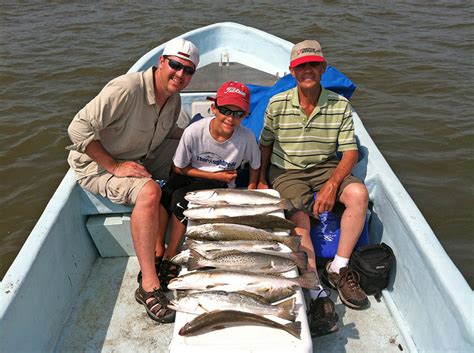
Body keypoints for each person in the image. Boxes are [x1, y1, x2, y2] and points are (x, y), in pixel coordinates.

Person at [66, 38, 199, 323]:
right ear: (161, 62)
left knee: (195, 155)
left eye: (188, 71)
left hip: (143, 154)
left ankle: (169, 218)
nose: (180, 74)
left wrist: (208, 132)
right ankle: (149, 284)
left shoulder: (173, 99)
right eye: (175, 65)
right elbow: (77, 129)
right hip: (98, 164)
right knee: (149, 191)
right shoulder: (126, 88)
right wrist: (114, 165)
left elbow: (167, 136)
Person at [257, 40, 369, 336]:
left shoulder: (339, 104)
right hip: (288, 170)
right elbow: (265, 143)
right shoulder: (278, 103)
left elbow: (349, 153)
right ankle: (315, 289)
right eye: (300, 66)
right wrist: (262, 179)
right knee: (300, 219)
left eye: (313, 65)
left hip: (326, 168)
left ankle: (338, 268)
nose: (307, 70)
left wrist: (332, 185)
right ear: (292, 72)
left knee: (358, 194)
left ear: (322, 68)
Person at [157, 81, 261, 280]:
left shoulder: (246, 138)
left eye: (238, 113)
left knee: (180, 200)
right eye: (226, 110)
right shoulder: (194, 131)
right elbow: (178, 167)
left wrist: (252, 190)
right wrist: (214, 175)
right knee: (165, 194)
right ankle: (157, 252)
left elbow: (255, 165)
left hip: (220, 184)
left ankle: (171, 256)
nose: (231, 118)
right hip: (196, 174)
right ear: (214, 108)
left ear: (245, 115)